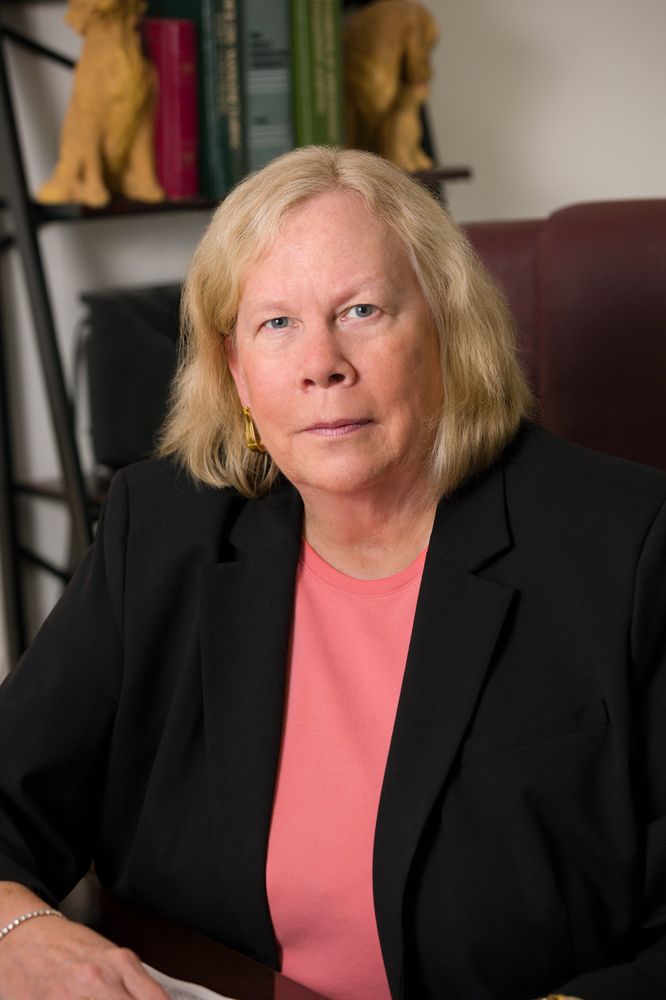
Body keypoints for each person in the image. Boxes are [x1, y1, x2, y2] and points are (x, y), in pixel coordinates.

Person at [0, 146, 665, 1000]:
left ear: (448, 331)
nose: (322, 363)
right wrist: (20, 932)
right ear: (236, 372)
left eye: (361, 310)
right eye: (276, 323)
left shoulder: (629, 548)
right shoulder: (163, 532)